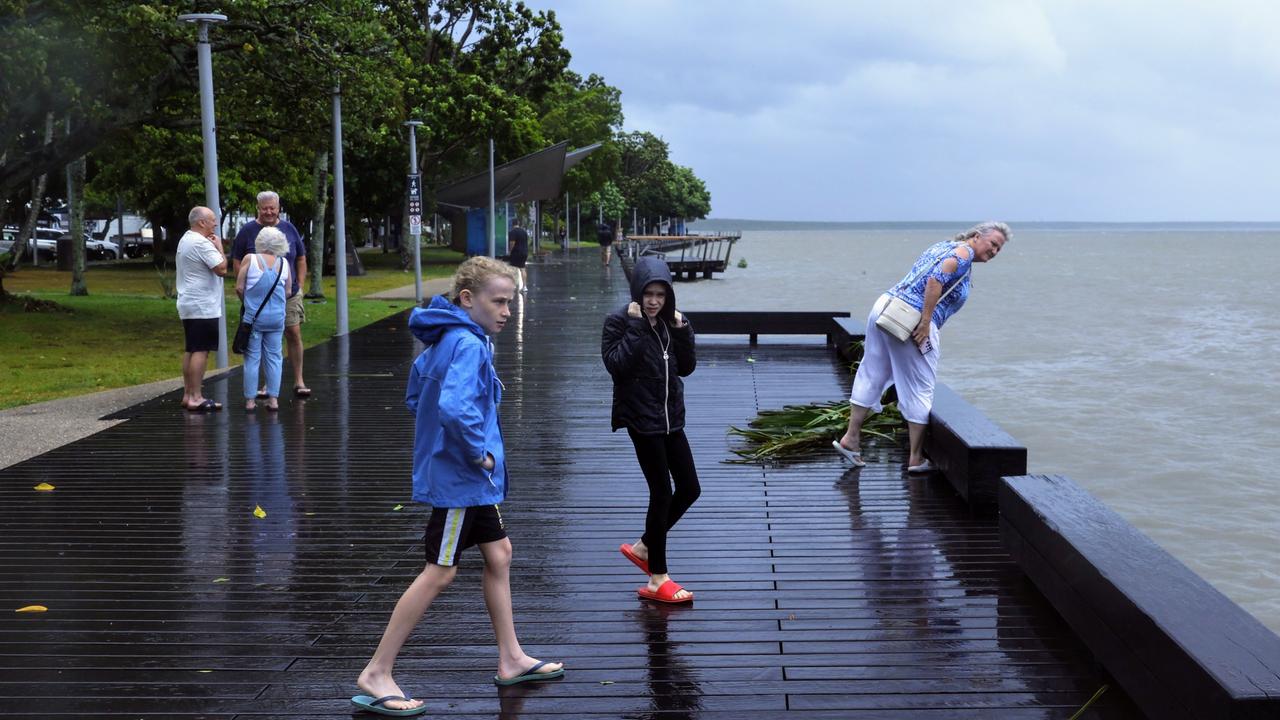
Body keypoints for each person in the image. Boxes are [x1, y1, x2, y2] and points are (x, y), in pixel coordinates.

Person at [353, 257, 564, 716]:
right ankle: (376, 672)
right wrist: (478, 453)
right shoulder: (468, 344)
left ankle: (510, 658)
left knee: (499, 552)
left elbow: (416, 395)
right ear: (468, 299)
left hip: (467, 480)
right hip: (461, 480)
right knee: (440, 571)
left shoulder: (446, 337)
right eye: (500, 301)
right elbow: (453, 407)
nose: (507, 310)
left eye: (511, 301)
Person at [833, 221, 1010, 472]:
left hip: (885, 307)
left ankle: (851, 438)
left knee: (872, 372)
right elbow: (935, 280)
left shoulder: (944, 245)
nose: (993, 252)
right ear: (977, 235)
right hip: (911, 321)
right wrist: (926, 323)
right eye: (993, 244)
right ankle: (916, 458)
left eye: (998, 250)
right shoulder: (964, 253)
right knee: (921, 386)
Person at [602, 257, 700, 604]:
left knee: (689, 488)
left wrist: (683, 328)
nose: (654, 300)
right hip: (641, 420)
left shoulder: (670, 322)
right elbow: (616, 366)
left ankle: (645, 545)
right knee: (661, 491)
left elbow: (686, 367)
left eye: (660, 294)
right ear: (638, 292)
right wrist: (636, 327)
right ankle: (658, 578)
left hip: (672, 417)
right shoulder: (619, 321)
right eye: (648, 293)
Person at [231, 191, 310, 398]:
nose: (268, 212)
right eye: (264, 208)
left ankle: (299, 380)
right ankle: (268, 384)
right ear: (257, 208)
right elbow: (237, 261)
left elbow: (301, 258)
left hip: (288, 295)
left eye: (272, 208)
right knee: (264, 341)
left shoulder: (288, 228)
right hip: (258, 299)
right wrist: (245, 290)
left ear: (279, 208)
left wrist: (300, 283)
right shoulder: (247, 231)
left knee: (293, 333)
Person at [175, 206, 227, 412]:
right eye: (212, 220)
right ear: (201, 222)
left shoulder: (186, 238)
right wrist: (220, 247)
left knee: (191, 348)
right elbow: (222, 268)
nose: (215, 224)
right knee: (201, 350)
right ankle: (196, 396)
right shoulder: (201, 243)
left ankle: (188, 394)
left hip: (189, 301)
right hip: (202, 304)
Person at [235, 226, 291, 412]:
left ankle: (250, 401)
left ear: (259, 241)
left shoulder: (249, 259)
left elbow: (239, 287)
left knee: (252, 358)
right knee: (275, 357)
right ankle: (273, 399)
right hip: (276, 318)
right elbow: (289, 290)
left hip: (254, 319)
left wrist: (248, 303)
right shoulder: (284, 263)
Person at [506, 219, 528, 293]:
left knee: (512, 268)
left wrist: (509, 251)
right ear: (519, 223)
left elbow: (512, 243)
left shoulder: (513, 232)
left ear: (512, 224)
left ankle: (512, 286)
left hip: (516, 252)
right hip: (524, 252)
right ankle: (524, 287)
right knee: (522, 269)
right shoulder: (524, 232)